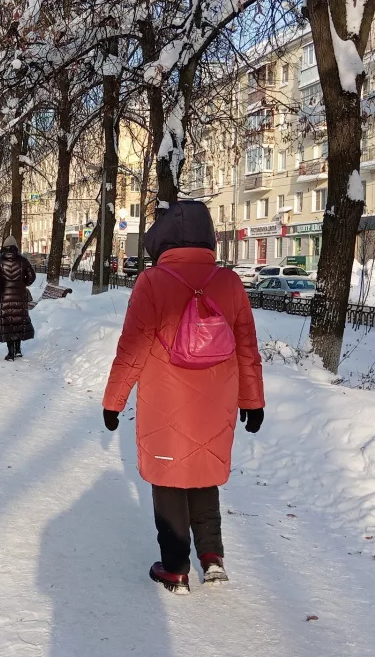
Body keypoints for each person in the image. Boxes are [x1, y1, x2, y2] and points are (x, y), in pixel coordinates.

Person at [101, 200, 264, 595]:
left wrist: (114, 401)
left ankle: (175, 568)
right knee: (205, 471)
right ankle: (212, 557)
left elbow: (133, 348)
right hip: (217, 400)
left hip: (166, 400)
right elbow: (247, 347)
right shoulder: (230, 283)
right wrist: (253, 400)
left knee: (169, 476)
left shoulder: (152, 282)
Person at [0, 236, 37, 361]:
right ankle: (17, 350)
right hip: (20, 296)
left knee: (8, 323)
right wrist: (24, 283)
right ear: (15, 247)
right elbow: (32, 276)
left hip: (4, 296)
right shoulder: (23, 261)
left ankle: (10, 353)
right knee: (18, 321)